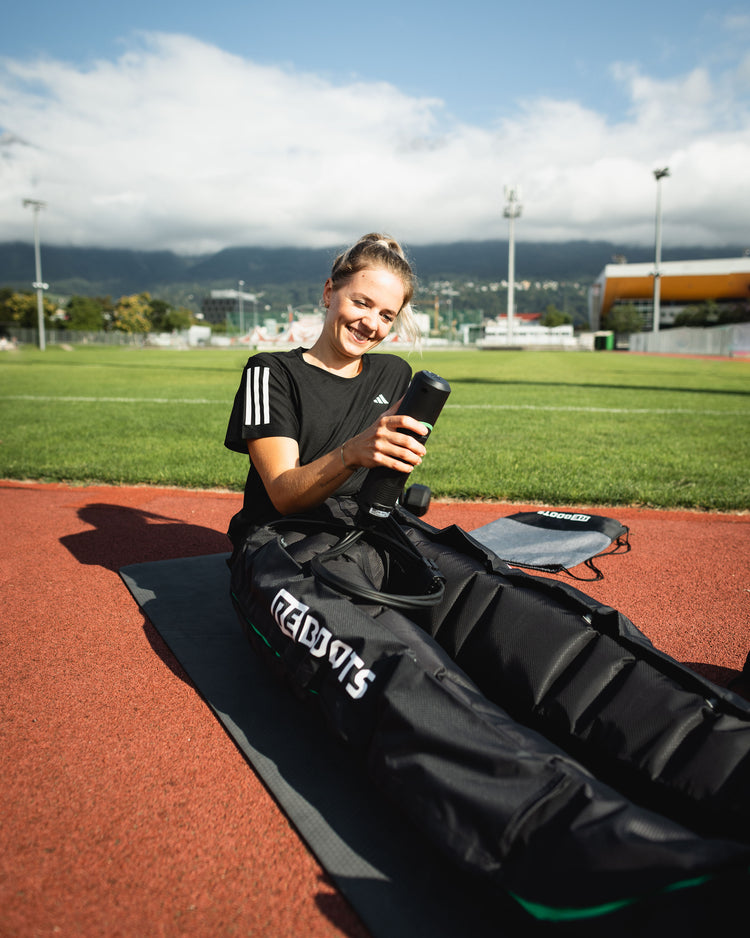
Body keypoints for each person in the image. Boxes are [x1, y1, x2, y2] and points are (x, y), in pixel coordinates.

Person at [225, 233, 750, 923]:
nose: (370, 323)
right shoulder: (272, 371)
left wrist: (384, 481)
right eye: (360, 303)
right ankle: (581, 851)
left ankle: (728, 762)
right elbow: (288, 492)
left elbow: (382, 484)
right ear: (329, 292)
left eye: (386, 314)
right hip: (288, 549)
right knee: (404, 673)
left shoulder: (394, 374)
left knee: (544, 623)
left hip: (384, 532)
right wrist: (354, 452)